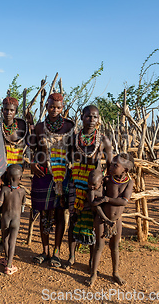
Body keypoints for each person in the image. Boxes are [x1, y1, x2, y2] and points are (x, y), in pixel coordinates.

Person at [29, 93, 74, 268]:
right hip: (43, 174)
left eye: (58, 107)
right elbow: (32, 149)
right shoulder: (39, 128)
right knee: (43, 213)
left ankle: (56, 252)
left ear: (63, 107)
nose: (54, 110)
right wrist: (32, 163)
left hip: (62, 175)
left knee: (60, 213)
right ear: (46, 106)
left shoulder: (69, 126)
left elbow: (73, 150)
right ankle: (45, 251)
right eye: (51, 106)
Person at [68, 105, 112, 269]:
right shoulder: (73, 139)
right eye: (88, 116)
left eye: (95, 117)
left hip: (94, 186)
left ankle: (91, 259)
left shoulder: (103, 140)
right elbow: (66, 159)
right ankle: (71, 256)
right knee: (73, 219)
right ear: (82, 117)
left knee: (93, 222)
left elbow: (110, 165)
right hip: (76, 184)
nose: (92, 120)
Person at [86, 153, 135, 287]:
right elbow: (96, 194)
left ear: (125, 170)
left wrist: (107, 199)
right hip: (102, 219)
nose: (111, 167)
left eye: (115, 165)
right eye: (112, 163)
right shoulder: (107, 180)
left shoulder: (129, 183)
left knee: (114, 247)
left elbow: (124, 201)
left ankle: (115, 273)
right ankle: (94, 273)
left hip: (116, 221)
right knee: (99, 246)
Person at [0, 96, 28, 257]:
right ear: (2, 110)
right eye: (5, 109)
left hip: (15, 176)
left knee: (13, 211)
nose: (8, 112)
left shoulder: (23, 130)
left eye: (11, 110)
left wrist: (25, 164)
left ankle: (9, 244)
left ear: (16, 111)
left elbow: (30, 148)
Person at [0, 164, 26, 275]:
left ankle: (7, 258)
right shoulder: (22, 191)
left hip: (5, 219)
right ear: (20, 178)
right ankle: (9, 265)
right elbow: (23, 207)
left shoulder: (4, 189)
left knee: (5, 238)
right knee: (12, 242)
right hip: (16, 220)